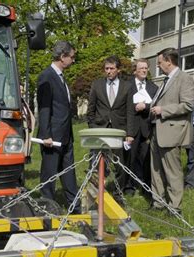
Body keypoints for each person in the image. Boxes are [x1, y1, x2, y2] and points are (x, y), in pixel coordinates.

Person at [36, 41, 81, 213]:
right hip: (52, 136)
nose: (73, 60)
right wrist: (46, 134)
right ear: (63, 57)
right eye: (72, 57)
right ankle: (47, 207)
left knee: (69, 170)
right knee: (49, 172)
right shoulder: (47, 77)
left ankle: (74, 206)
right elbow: (44, 107)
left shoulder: (61, 77)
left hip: (66, 134)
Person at [149, 48, 194, 214]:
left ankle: (175, 207)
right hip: (156, 131)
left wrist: (163, 110)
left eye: (160, 63)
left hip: (171, 132)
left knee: (172, 171)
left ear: (169, 61)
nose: (159, 66)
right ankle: (158, 202)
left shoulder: (185, 79)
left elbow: (188, 105)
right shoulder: (165, 80)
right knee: (155, 170)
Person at [87, 55, 133, 193]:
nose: (108, 71)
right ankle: (95, 190)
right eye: (106, 68)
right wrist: (93, 127)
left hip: (119, 130)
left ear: (118, 70)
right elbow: (91, 109)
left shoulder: (127, 86)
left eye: (112, 68)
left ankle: (118, 192)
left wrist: (129, 133)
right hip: (100, 129)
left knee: (119, 164)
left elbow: (130, 111)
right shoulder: (97, 84)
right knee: (96, 162)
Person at [126, 59, 158, 194]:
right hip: (131, 128)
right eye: (141, 68)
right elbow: (124, 107)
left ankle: (146, 187)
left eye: (146, 68)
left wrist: (146, 106)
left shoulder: (153, 87)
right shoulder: (127, 86)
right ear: (135, 71)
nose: (144, 70)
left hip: (147, 129)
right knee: (130, 159)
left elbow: (156, 105)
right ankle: (128, 186)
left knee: (146, 159)